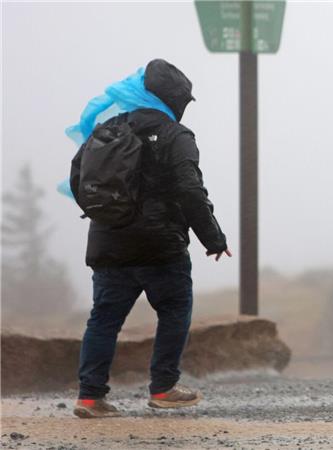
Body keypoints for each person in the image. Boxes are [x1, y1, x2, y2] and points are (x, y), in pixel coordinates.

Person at [70, 59, 231, 418]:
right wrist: (213, 239)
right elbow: (190, 190)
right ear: (173, 99)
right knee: (174, 311)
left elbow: (78, 179)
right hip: (161, 247)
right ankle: (163, 387)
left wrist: (106, 217)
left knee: (104, 319)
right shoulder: (176, 136)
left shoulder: (108, 128)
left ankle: (89, 397)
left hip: (109, 245)